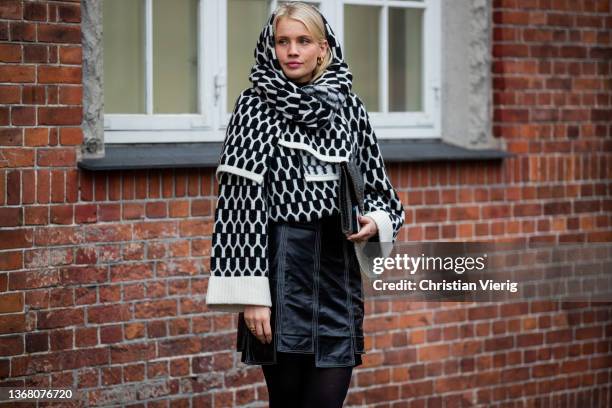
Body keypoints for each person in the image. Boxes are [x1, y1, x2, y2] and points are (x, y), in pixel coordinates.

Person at [206, 2, 404, 407]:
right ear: (271, 46)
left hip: (337, 271)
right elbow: (238, 208)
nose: (292, 50)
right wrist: (253, 296)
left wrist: (375, 222)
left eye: (303, 40)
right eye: (283, 41)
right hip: (280, 269)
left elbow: (383, 194)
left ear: (323, 48)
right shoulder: (253, 107)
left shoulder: (349, 106)